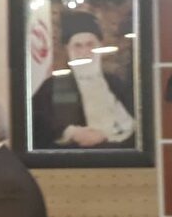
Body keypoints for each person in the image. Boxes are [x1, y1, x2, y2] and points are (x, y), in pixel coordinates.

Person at [32, 10, 135, 149]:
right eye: (78, 46)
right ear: (67, 49)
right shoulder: (52, 86)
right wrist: (71, 133)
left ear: (100, 46)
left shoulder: (115, 83)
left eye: (90, 44)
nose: (84, 52)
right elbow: (36, 122)